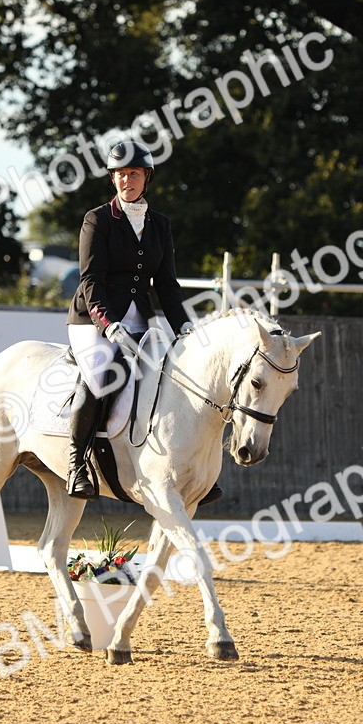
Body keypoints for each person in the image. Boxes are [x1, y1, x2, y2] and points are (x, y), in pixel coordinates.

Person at [64, 140, 222, 506]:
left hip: (141, 319)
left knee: (177, 374)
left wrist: (184, 327)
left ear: (146, 178)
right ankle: (77, 463)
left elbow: (166, 283)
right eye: (120, 174)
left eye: (133, 173)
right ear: (113, 179)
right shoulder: (97, 219)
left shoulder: (159, 224)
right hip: (93, 319)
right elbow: (90, 281)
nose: (126, 180)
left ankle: (192, 469)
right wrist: (108, 323)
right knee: (100, 374)